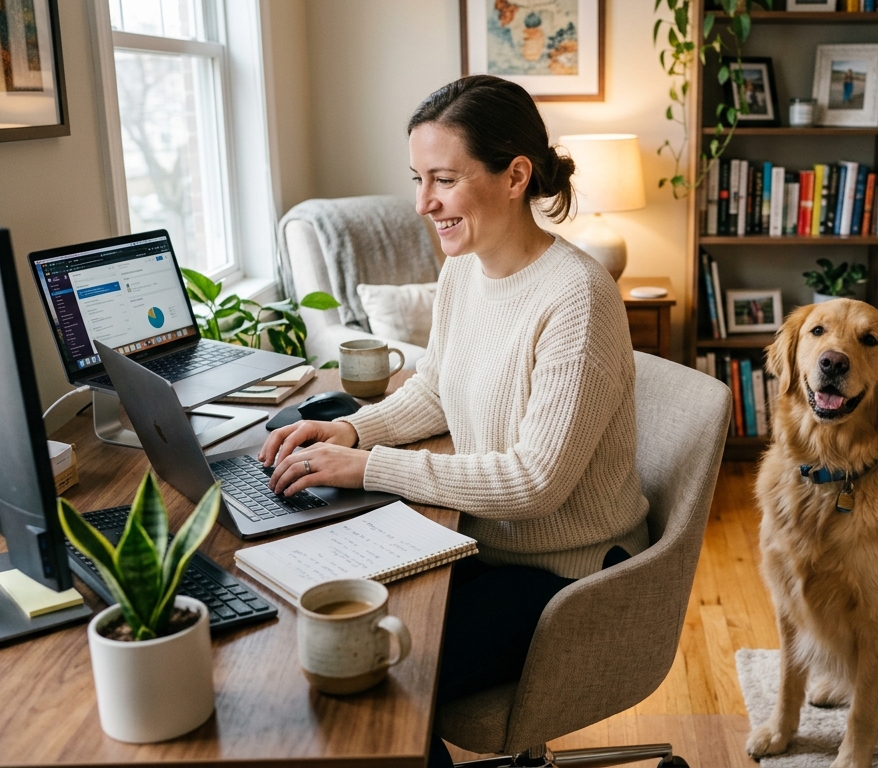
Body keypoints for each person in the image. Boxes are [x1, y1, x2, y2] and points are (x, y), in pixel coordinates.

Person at [258, 74, 649, 767]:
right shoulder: (464, 271)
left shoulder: (576, 299)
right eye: (418, 178)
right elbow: (437, 388)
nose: (422, 203)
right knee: (321, 632)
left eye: (442, 178)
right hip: (485, 542)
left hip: (567, 574)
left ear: (514, 176)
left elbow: (535, 484)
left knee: (378, 678)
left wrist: (371, 467)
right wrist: (352, 431)